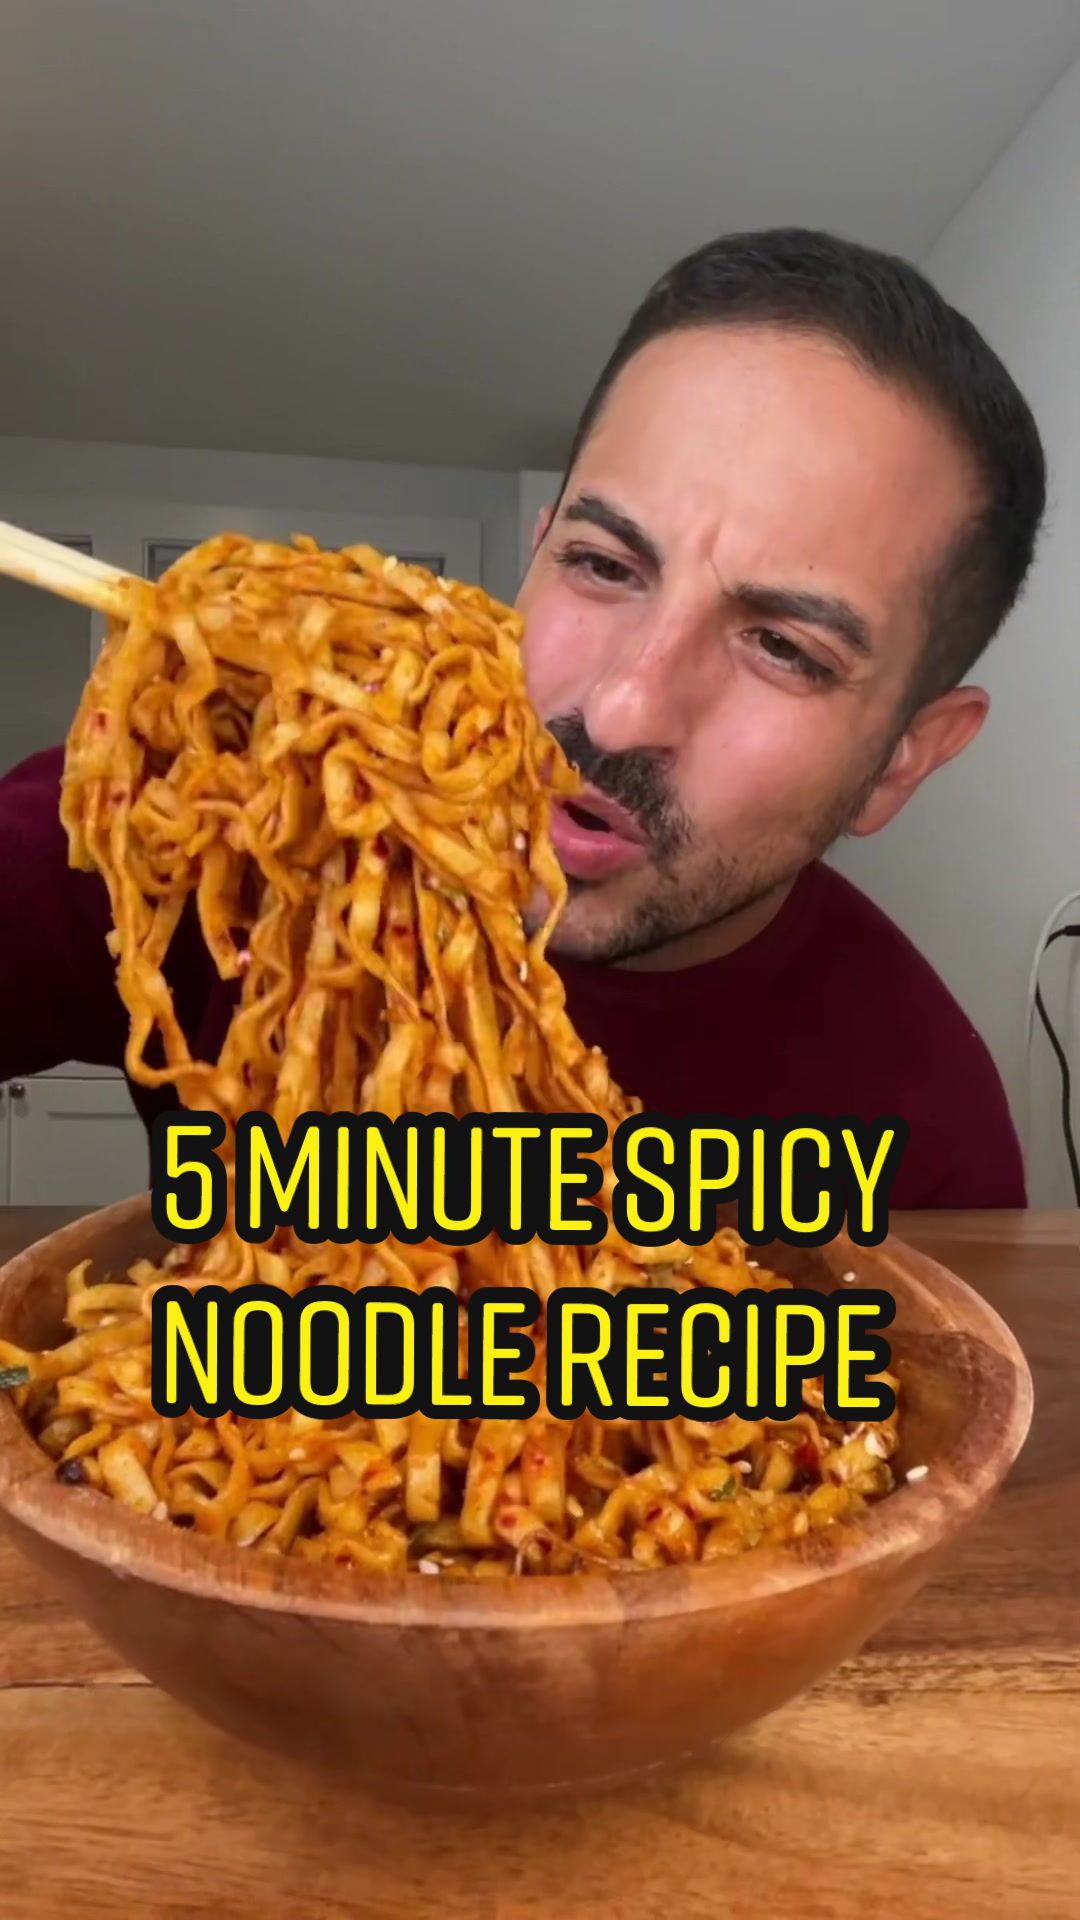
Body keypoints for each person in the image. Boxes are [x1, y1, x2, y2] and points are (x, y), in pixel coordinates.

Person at [0, 229, 1046, 1208]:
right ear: (539, 552)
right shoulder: (201, 826)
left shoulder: (922, 1138)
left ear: (904, 759)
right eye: (604, 566)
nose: (623, 710)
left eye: (784, 648)